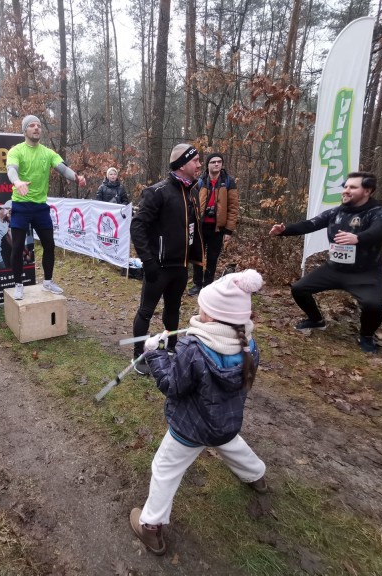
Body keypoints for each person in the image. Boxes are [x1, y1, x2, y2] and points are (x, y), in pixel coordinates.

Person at [130, 269, 268, 556]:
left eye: (204, 308)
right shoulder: (249, 344)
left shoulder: (194, 347)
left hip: (190, 428)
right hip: (225, 421)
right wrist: (172, 356)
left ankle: (150, 526)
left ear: (214, 316)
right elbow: (224, 380)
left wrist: (155, 354)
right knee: (230, 443)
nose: (199, 310)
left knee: (164, 468)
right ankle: (257, 476)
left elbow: (172, 385)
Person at [268, 171, 382, 353]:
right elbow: (310, 224)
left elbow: (379, 230)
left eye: (353, 187)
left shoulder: (378, 213)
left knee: (374, 305)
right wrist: (284, 230)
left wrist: (358, 238)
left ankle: (366, 336)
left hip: (365, 273)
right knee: (299, 289)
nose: (346, 190)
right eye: (346, 186)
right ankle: (316, 320)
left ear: (367, 191)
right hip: (335, 269)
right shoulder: (337, 212)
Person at [129, 143, 203, 375]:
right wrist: (148, 262)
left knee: (173, 309)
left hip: (180, 267)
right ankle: (138, 357)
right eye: (195, 161)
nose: (200, 165)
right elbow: (137, 226)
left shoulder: (191, 192)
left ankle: (172, 350)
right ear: (182, 165)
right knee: (146, 312)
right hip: (158, 267)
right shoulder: (157, 191)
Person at [7, 114, 86, 300]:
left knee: (49, 245)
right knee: (17, 246)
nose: (36, 128)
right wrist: (17, 182)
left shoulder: (48, 152)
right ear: (25, 130)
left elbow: (62, 168)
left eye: (39, 125)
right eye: (32, 125)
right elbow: (11, 169)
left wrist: (76, 177)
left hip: (40, 207)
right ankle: (18, 284)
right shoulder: (16, 151)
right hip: (20, 204)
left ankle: (48, 282)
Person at [187, 152, 239, 296]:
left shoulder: (228, 182)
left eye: (219, 162)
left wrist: (228, 231)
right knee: (197, 256)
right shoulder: (200, 181)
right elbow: (192, 204)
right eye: (213, 162)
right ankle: (197, 284)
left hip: (218, 228)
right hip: (200, 226)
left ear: (222, 164)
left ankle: (208, 285)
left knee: (212, 258)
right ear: (207, 165)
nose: (216, 164)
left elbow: (233, 208)